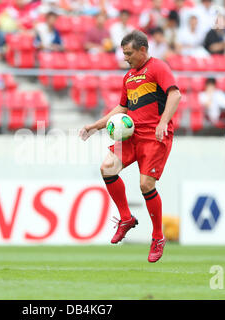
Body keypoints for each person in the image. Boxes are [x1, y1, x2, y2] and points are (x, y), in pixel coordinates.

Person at [79, 30, 181, 263]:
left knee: (145, 184)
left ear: (143, 50)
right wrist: (95, 126)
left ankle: (157, 237)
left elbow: (175, 96)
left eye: (128, 53)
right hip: (132, 135)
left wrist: (163, 122)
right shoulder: (128, 77)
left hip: (155, 136)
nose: (125, 58)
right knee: (107, 168)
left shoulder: (158, 67)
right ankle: (126, 218)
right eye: (123, 53)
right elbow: (122, 108)